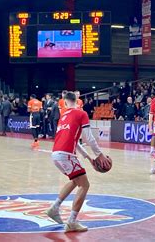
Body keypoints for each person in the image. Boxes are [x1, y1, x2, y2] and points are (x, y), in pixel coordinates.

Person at [46, 91, 110, 232]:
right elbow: (89, 138)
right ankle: (72, 221)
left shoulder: (63, 116)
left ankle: (54, 208)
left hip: (56, 154)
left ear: (65, 101)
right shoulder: (81, 114)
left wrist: (89, 158)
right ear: (78, 100)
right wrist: (100, 155)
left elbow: (77, 143)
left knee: (76, 181)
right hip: (66, 154)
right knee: (85, 185)